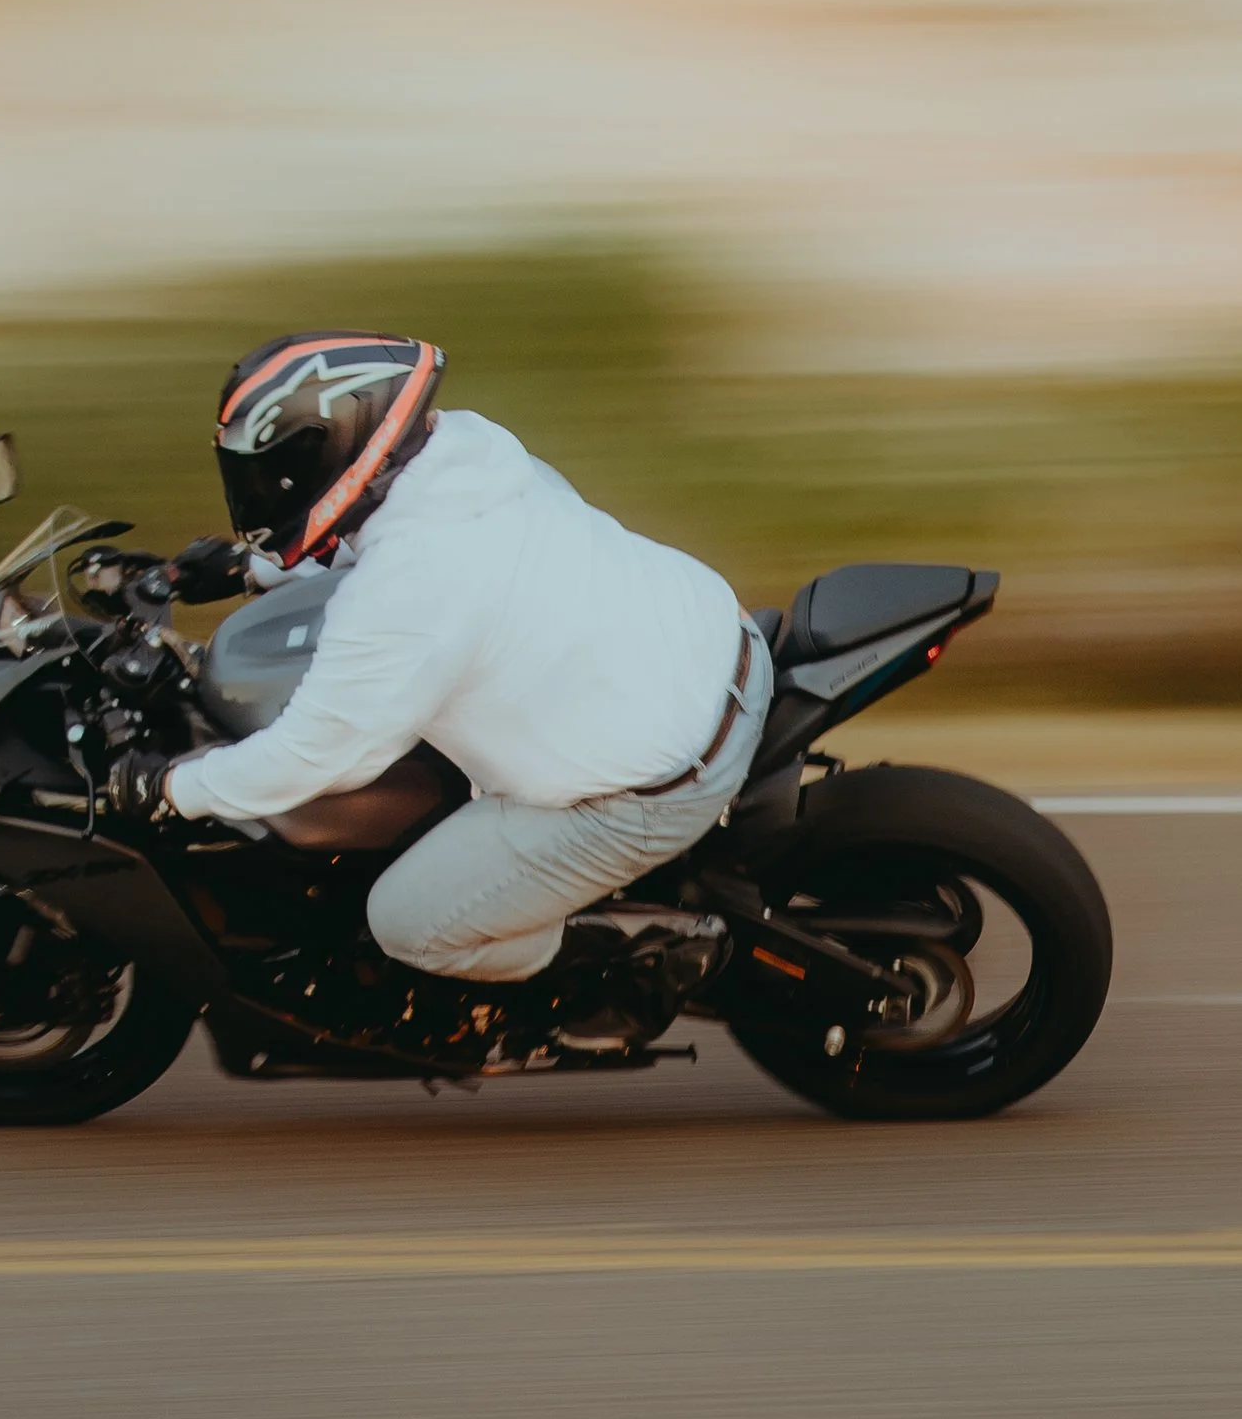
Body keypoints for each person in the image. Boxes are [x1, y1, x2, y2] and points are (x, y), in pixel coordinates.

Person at [108, 331, 769, 991]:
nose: (254, 490)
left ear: (331, 453)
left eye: (267, 472)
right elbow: (391, 540)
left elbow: (317, 755)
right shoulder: (467, 454)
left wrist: (172, 789)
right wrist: (246, 570)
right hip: (720, 641)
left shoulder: (412, 583)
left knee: (408, 923)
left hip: (657, 787)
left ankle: (623, 963)